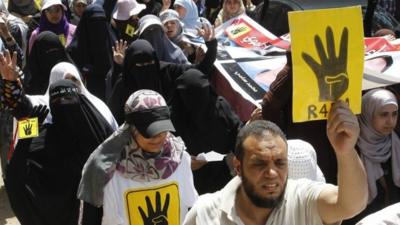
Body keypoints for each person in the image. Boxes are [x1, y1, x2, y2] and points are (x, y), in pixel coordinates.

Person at [183, 101, 368, 225]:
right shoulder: (205, 214)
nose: (272, 172)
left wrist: (345, 151)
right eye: (259, 164)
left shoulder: (302, 200)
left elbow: (350, 205)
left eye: (280, 163)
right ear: (239, 167)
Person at [1, 60, 114, 225]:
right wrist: (10, 82)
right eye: (58, 102)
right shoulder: (41, 115)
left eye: (74, 80)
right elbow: (21, 113)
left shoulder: (98, 115)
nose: (65, 106)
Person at [78, 89, 198, 225]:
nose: (158, 136)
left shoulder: (179, 159)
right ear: (131, 128)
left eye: (162, 129)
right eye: (149, 131)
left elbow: (191, 208)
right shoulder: (106, 169)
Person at [108, 24, 217, 124]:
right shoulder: (124, 82)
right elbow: (114, 116)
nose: (145, 69)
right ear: (130, 66)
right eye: (139, 65)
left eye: (149, 63)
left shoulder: (165, 70)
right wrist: (118, 67)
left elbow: (199, 71)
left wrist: (211, 46)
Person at [170, 68, 242, 194]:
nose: (196, 101)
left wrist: (241, 156)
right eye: (190, 96)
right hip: (186, 181)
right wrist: (183, 163)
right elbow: (164, 151)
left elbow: (237, 132)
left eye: (200, 94)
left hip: (220, 176)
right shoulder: (173, 117)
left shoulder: (220, 107)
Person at [355, 89, 400, 215]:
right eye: (383, 114)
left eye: (394, 114)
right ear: (367, 114)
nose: (390, 121)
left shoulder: (396, 142)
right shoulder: (351, 146)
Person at [67, 4, 115, 100]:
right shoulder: (73, 51)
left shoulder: (113, 45)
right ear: (85, 23)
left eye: (101, 22)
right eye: (93, 22)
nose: (98, 27)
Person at [25, 31, 73, 95]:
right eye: (47, 53)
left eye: (56, 53)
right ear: (37, 55)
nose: (53, 58)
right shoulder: (30, 88)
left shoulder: (71, 78)